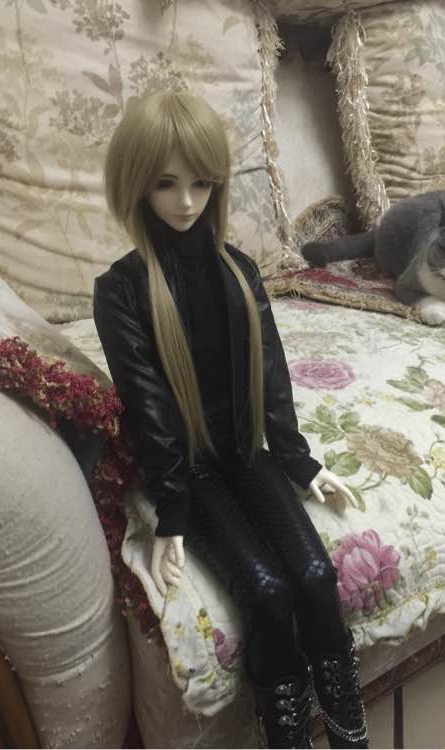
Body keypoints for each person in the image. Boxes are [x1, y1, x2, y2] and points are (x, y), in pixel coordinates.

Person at [93, 90, 369, 749]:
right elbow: (149, 408)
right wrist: (172, 513)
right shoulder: (122, 291)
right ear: (136, 184)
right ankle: (286, 735)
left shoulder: (239, 271)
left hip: (246, 454)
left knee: (315, 575)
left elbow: (271, 378)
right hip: (189, 470)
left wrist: (300, 461)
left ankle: (348, 727)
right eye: (165, 183)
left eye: (200, 183)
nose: (186, 201)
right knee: (266, 590)